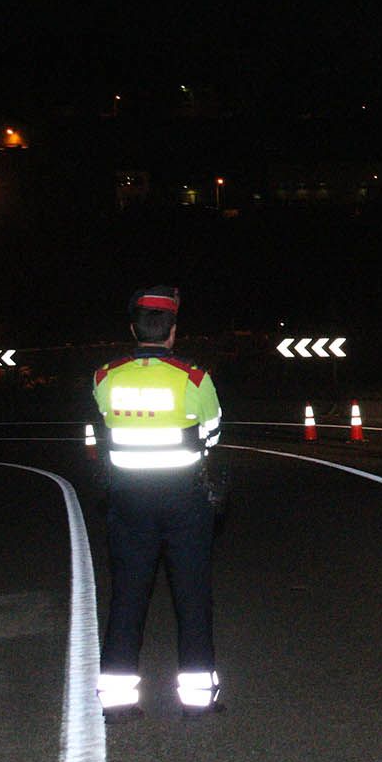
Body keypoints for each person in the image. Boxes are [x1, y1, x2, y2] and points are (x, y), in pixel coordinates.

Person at [93, 286, 226, 719]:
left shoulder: (105, 377)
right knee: (192, 596)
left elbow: (104, 429)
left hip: (128, 501)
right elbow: (212, 437)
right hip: (185, 500)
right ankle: (198, 702)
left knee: (128, 596)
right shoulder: (194, 379)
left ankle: (116, 703)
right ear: (172, 331)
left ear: (133, 328)